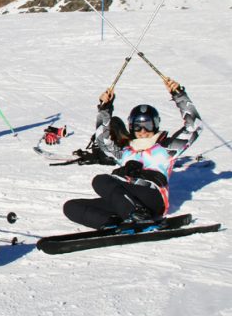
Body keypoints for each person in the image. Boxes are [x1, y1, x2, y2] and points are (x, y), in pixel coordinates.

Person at [62, 77, 202, 229]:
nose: (143, 131)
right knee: (71, 207)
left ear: (155, 124)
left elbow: (194, 127)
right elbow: (103, 142)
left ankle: (138, 215)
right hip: (125, 200)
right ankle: (113, 224)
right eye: (138, 126)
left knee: (100, 181)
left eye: (148, 125)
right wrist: (105, 109)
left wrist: (179, 95)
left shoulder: (165, 148)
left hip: (151, 199)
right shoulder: (126, 151)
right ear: (131, 127)